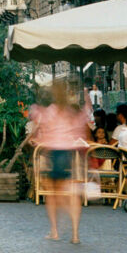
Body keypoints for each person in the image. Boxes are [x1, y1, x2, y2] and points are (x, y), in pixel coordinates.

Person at [30, 81, 90, 244]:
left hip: (55, 153)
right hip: (70, 153)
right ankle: (75, 235)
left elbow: (42, 129)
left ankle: (55, 231)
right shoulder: (70, 112)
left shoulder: (51, 111)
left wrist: (38, 140)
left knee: (53, 195)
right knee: (72, 195)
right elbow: (81, 126)